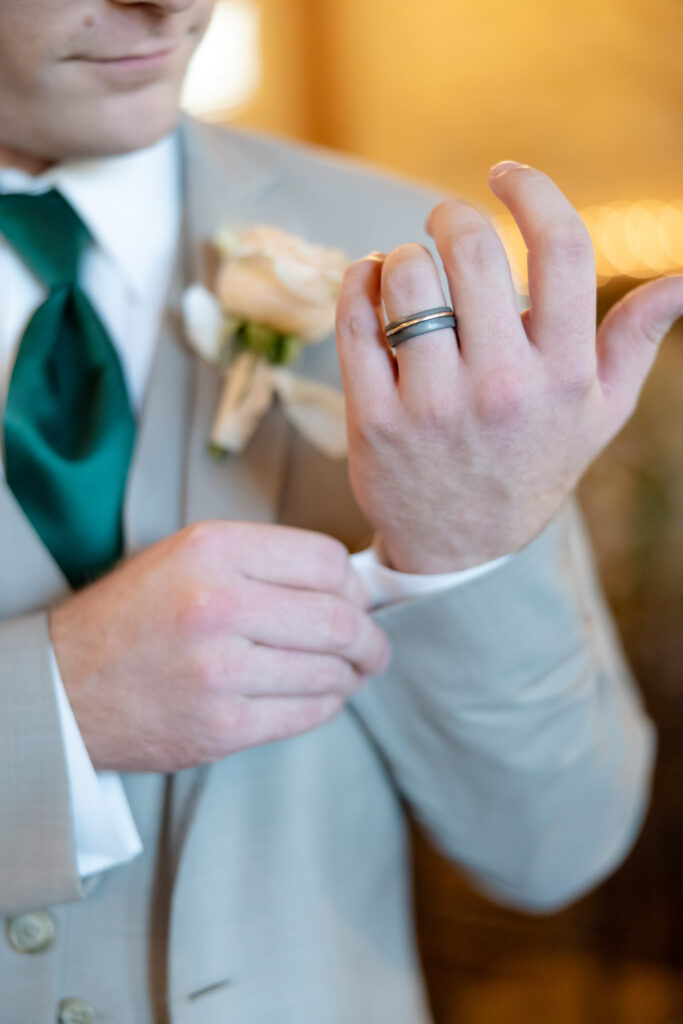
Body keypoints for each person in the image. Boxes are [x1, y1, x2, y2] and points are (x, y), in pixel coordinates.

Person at [1, 1, 681, 1021]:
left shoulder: (413, 273)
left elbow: (557, 848)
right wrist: (53, 713)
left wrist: (462, 553)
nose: (168, 6)